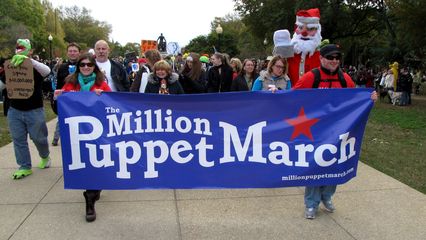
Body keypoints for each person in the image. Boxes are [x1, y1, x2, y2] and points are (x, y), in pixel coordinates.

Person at [294, 44, 377, 219]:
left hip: (339, 131)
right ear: (321, 58)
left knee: (335, 165)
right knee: (316, 166)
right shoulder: (311, 77)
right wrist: (275, 94)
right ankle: (311, 203)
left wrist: (369, 98)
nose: (334, 61)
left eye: (337, 58)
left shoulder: (345, 79)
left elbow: (356, 100)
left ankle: (327, 196)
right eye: (330, 57)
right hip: (315, 132)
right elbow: (292, 97)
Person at [57, 53, 111, 222]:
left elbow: (112, 105)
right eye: (82, 65)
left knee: (97, 162)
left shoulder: (101, 83)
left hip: (98, 131)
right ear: (78, 67)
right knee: (86, 164)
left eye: (89, 64)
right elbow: (60, 108)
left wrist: (103, 97)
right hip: (77, 132)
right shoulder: (70, 84)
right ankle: (89, 199)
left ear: (94, 66)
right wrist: (57, 97)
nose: (86, 67)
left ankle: (94, 190)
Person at [2, 39, 52, 179]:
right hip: (15, 110)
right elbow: (1, 84)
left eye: (24, 48)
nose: (20, 50)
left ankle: (45, 156)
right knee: (18, 140)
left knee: (39, 138)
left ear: (30, 51)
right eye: (18, 48)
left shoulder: (36, 68)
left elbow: (47, 71)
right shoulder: (11, 66)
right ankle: (24, 166)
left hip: (34, 109)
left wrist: (29, 61)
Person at [51, 42, 81, 146]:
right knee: (62, 119)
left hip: (79, 98)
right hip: (65, 99)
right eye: (70, 51)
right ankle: (56, 138)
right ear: (67, 53)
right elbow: (58, 83)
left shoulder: (84, 66)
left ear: (79, 53)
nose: (72, 53)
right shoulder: (62, 67)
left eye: (75, 51)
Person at [285, 8, 322, 86]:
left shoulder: (322, 57)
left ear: (318, 31)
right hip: (291, 96)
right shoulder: (287, 54)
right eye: (301, 28)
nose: (304, 33)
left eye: (310, 29)